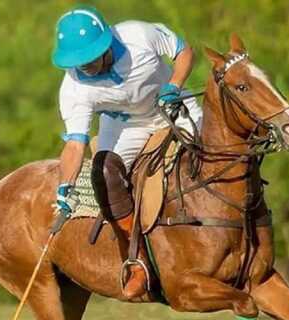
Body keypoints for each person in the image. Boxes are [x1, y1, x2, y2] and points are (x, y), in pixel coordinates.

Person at [51, 6, 202, 299]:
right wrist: (64, 189)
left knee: (212, 152)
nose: (86, 68)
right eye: (79, 62)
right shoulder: (74, 88)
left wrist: (173, 85)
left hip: (170, 105)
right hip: (125, 125)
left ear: (106, 43)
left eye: (90, 59)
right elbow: (74, 144)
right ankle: (136, 262)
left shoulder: (139, 36)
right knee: (104, 173)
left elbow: (184, 52)